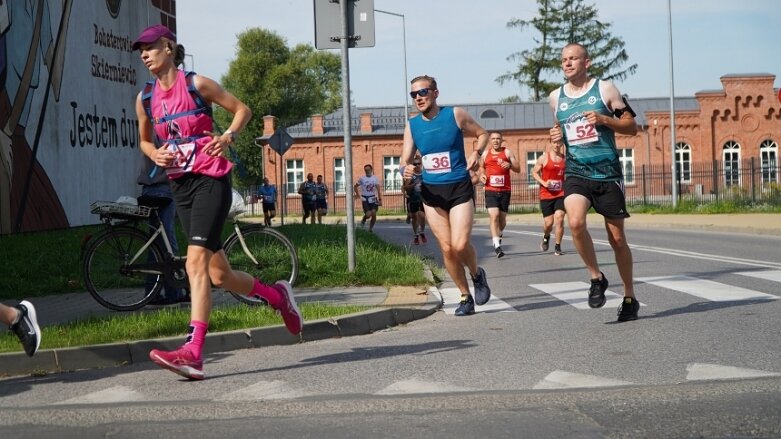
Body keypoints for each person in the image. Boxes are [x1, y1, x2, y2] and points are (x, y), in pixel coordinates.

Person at [133, 24, 302, 380]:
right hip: (180, 185)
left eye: (150, 47)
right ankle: (277, 297)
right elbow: (144, 141)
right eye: (141, 50)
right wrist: (155, 154)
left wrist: (227, 135)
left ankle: (192, 352)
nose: (145, 54)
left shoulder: (197, 85)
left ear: (168, 47)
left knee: (194, 262)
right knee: (219, 274)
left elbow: (243, 109)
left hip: (211, 178)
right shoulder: (145, 97)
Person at [549, 42, 639, 322]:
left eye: (573, 58)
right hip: (577, 172)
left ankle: (629, 295)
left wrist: (604, 119)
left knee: (617, 239)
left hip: (608, 174)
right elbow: (560, 134)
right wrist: (556, 141)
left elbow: (632, 127)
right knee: (575, 222)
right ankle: (596, 277)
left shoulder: (605, 89)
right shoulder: (556, 97)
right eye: (564, 60)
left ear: (586, 62)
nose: (567, 63)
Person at [402, 75, 491, 316]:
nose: (418, 98)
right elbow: (404, 160)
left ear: (435, 93)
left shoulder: (455, 114)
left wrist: (477, 152)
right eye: (414, 94)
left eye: (423, 92)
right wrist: (406, 169)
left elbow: (483, 134)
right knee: (447, 248)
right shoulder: (412, 125)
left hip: (459, 188)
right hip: (431, 193)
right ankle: (465, 296)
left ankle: (476, 275)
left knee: (460, 244)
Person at [137, 155, 188, 305]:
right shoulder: (162, 132)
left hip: (151, 188)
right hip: (163, 188)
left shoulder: (151, 133)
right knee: (168, 243)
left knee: (157, 245)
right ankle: (174, 293)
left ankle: (152, 294)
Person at [479, 132, 520, 258]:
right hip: (490, 189)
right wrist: (482, 175)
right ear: (490, 141)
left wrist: (510, 165)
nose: (496, 141)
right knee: (494, 215)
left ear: (502, 140)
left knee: (502, 220)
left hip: (505, 190)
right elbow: (481, 167)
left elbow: (518, 169)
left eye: (498, 139)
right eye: (493, 139)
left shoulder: (507, 152)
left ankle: (499, 233)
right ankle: (497, 246)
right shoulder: (486, 153)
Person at [531, 141, 567, 256]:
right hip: (546, 194)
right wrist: (544, 183)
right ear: (550, 143)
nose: (557, 145)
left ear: (562, 144)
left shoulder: (565, 159)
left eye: (559, 143)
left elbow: (568, 175)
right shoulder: (543, 158)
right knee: (548, 223)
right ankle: (546, 236)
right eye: (555, 143)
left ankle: (558, 246)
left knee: (560, 218)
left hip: (560, 194)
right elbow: (534, 173)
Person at [401, 158, 427, 245]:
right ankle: (416, 235)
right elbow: (405, 187)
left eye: (418, 163)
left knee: (422, 216)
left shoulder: (425, 174)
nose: (417, 165)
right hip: (413, 198)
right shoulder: (411, 175)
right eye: (415, 164)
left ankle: (422, 232)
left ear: (421, 164)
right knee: (414, 217)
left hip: (423, 198)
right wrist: (413, 185)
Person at [354, 164, 381, 232]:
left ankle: (370, 229)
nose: (367, 171)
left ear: (371, 170)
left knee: (374, 213)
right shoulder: (362, 179)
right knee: (368, 214)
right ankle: (364, 219)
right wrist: (357, 194)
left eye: (368, 170)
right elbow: (355, 186)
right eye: (366, 170)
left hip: (373, 198)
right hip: (365, 198)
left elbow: (378, 189)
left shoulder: (375, 178)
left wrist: (380, 199)